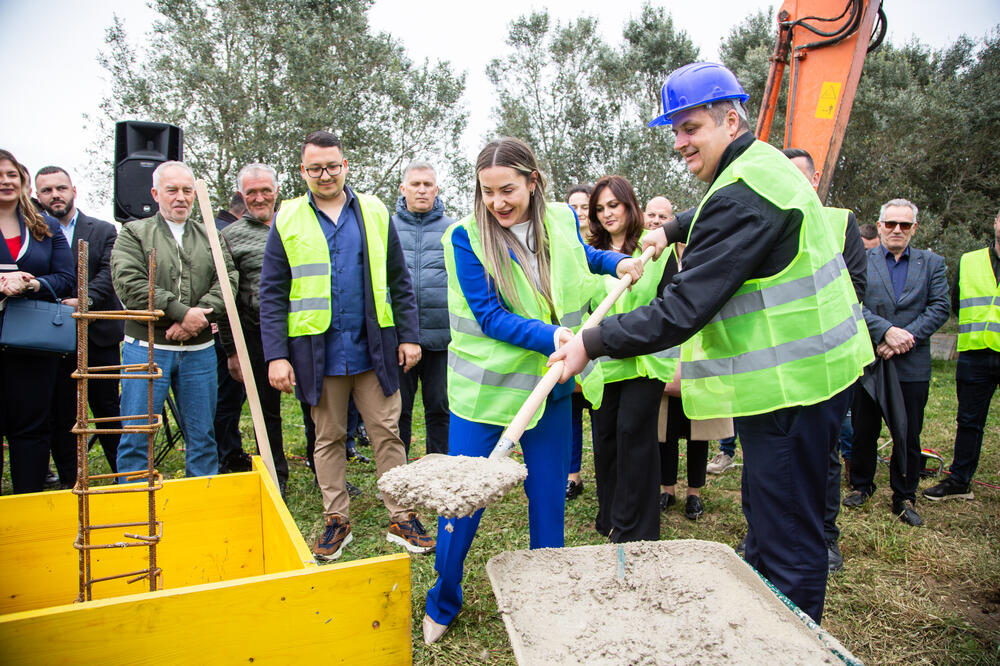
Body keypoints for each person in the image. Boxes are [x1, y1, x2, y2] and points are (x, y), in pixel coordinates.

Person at [550, 62, 873, 623]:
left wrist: (592, 342)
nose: (679, 142)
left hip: (791, 387)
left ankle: (791, 640)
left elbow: (681, 311)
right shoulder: (760, 165)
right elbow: (720, 206)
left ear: (730, 119)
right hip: (810, 376)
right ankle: (764, 603)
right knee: (773, 511)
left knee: (790, 535)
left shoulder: (742, 194)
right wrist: (671, 229)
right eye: (674, 130)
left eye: (691, 127)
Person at [422, 138, 643, 644]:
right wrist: (555, 337)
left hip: (552, 390)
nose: (498, 203)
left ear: (532, 182)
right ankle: (444, 597)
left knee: (548, 499)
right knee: (464, 501)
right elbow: (490, 316)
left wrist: (615, 264)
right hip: (487, 395)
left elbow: (580, 257)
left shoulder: (562, 218)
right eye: (487, 192)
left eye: (508, 190)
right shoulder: (465, 237)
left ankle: (549, 596)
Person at [259, 130, 432, 561]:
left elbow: (399, 280)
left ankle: (402, 515)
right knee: (328, 436)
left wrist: (409, 336)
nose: (324, 175)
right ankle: (336, 519)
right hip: (317, 353)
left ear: (345, 166)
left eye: (332, 166)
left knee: (388, 433)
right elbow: (272, 292)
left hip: (375, 348)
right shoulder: (288, 217)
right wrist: (276, 355)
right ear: (303, 171)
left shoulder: (373, 211)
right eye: (315, 168)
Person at [111, 160, 235, 478]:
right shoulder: (133, 234)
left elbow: (228, 279)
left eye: (186, 190)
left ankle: (200, 501)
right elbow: (131, 284)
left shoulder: (210, 234)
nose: (180, 197)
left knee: (203, 435)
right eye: (172, 190)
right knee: (138, 434)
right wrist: (182, 314)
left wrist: (199, 317)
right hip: (147, 346)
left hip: (200, 352)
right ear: (156, 193)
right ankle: (133, 500)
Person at [578, 175, 674, 539]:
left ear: (629, 205)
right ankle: (612, 518)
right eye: (599, 208)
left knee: (634, 436)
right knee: (605, 442)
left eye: (613, 205)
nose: (606, 214)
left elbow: (669, 308)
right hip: (602, 366)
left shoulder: (653, 252)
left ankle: (637, 529)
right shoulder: (589, 257)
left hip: (644, 364)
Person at [843, 198, 948, 527]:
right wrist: (885, 332)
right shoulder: (863, 259)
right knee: (863, 429)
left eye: (904, 225)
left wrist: (904, 338)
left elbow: (939, 307)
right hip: (870, 359)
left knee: (908, 432)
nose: (897, 230)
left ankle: (904, 494)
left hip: (911, 363)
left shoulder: (933, 264)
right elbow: (851, 301)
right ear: (880, 226)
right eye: (890, 224)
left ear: (914, 228)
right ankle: (861, 485)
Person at [35, 166, 123, 486]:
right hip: (52, 336)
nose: (55, 195)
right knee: (62, 413)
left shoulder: (102, 230)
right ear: (37, 195)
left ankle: (123, 475)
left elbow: (109, 273)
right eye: (46, 190)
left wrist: (82, 301)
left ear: (74, 190)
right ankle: (71, 479)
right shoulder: (34, 232)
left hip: (97, 334)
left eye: (61, 188)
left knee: (107, 408)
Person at [0, 150, 75, 493]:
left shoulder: (46, 228)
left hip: (32, 342)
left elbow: (66, 277)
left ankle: (28, 502)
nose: (5, 181)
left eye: (11, 174)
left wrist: (31, 284)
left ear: (22, 180)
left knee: (32, 426)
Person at [214, 164, 290, 493]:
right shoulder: (228, 238)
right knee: (266, 410)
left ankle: (324, 470)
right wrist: (233, 351)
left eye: (265, 190)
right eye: (251, 192)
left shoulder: (296, 223)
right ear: (241, 196)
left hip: (306, 330)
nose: (259, 198)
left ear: (276, 190)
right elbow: (225, 299)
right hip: (258, 335)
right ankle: (275, 476)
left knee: (319, 407)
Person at [924, 207, 999, 501]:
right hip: (974, 354)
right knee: (968, 421)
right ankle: (960, 481)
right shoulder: (969, 261)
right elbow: (956, 302)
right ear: (995, 222)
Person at [392, 160, 452, 456]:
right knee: (397, 410)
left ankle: (440, 469)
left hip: (442, 338)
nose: (422, 190)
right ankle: (398, 475)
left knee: (441, 407)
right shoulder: (386, 227)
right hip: (398, 338)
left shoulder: (453, 230)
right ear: (403, 189)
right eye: (415, 184)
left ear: (436, 189)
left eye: (428, 184)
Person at [564, 183, 593, 500]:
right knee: (571, 413)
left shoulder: (603, 246)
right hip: (571, 340)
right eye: (574, 206)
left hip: (601, 344)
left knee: (600, 413)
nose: (580, 212)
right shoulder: (561, 246)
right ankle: (573, 475)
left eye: (585, 206)